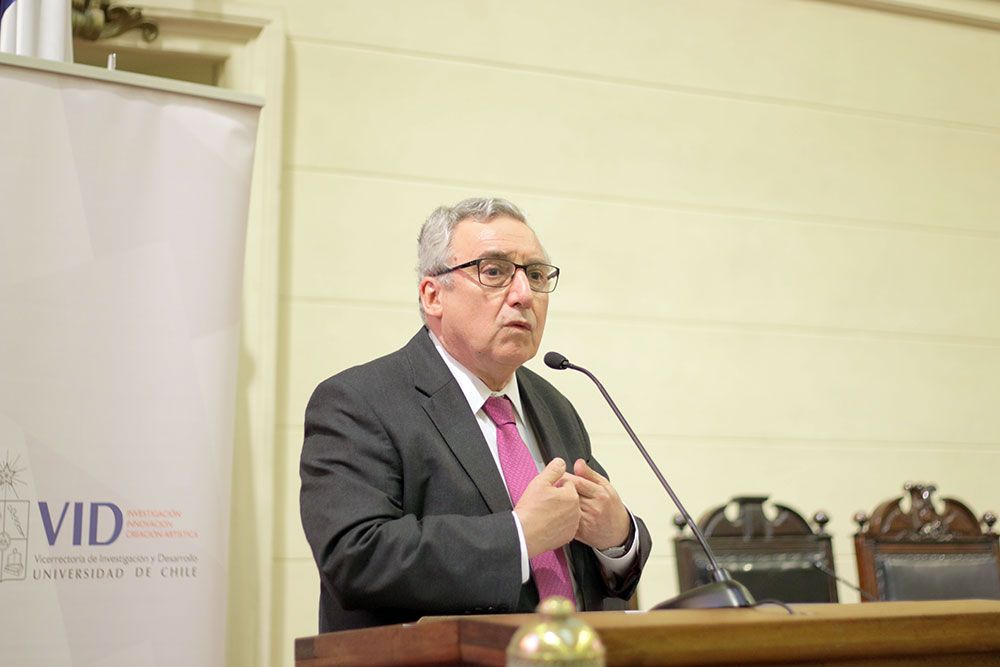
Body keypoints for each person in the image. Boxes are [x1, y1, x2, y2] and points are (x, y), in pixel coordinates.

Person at [300, 198, 651, 632]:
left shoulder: (555, 405)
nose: (523, 296)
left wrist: (618, 539)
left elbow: (599, 565)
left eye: (536, 275)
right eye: (494, 272)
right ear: (433, 295)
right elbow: (355, 556)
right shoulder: (358, 401)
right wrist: (518, 538)